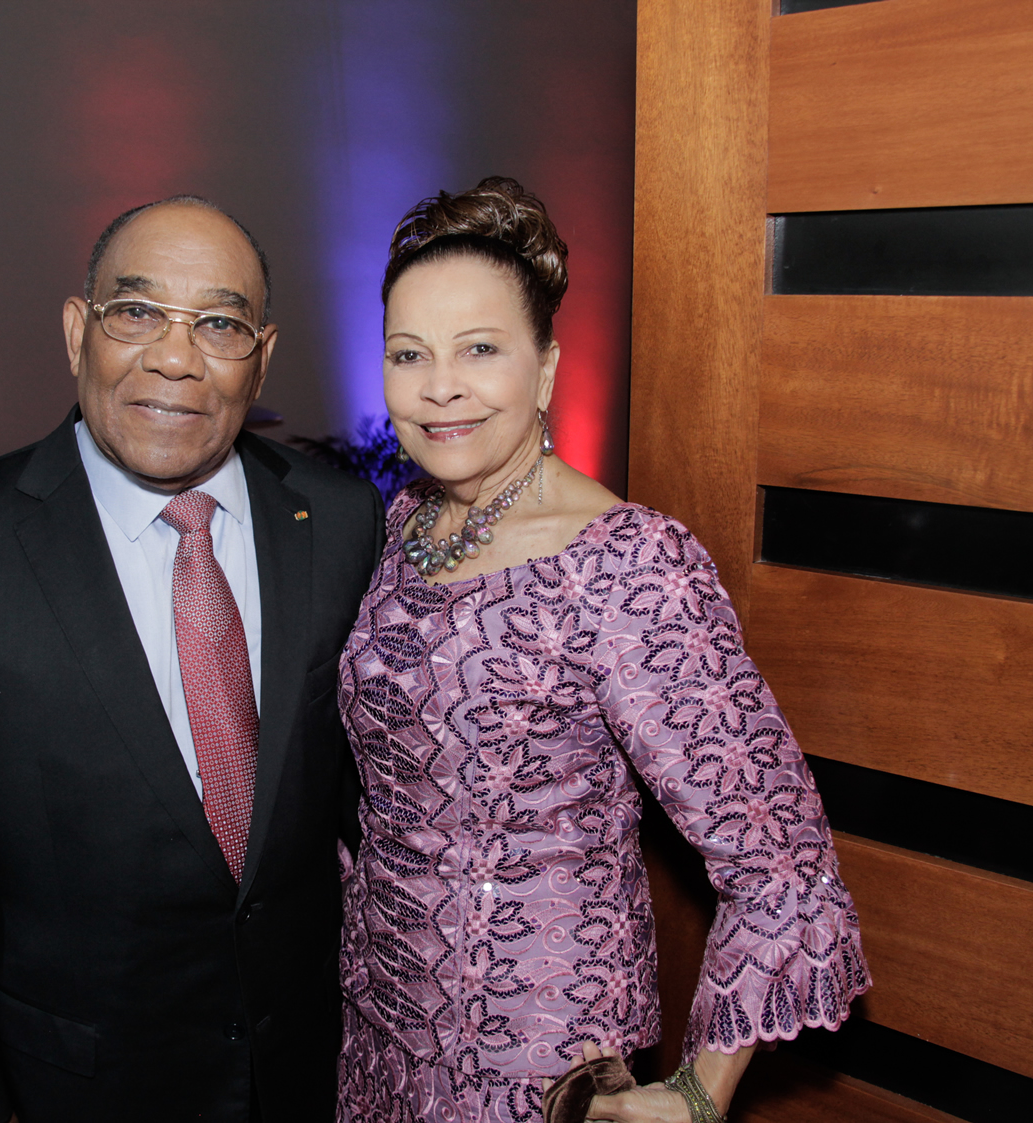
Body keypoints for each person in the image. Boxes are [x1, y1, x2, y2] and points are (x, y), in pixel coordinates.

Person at [335, 178, 870, 1123]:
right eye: (408, 353)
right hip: (378, 1044)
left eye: (479, 349)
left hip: (537, 1071)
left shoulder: (626, 563)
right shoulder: (400, 526)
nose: (439, 385)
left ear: (544, 371)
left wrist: (697, 1097)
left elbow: (781, 865)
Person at [0, 196, 385, 1123]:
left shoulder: (340, 522)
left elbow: (366, 803)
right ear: (77, 331)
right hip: (77, 1088)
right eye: (136, 312)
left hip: (311, 1073)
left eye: (218, 324)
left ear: (260, 355)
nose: (175, 358)